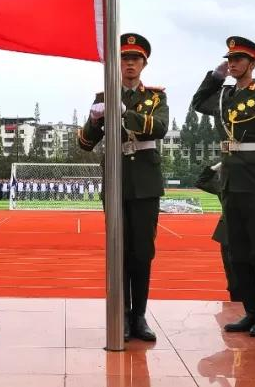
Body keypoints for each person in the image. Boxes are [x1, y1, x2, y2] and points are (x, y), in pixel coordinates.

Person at [78, 32, 168, 342]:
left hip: (145, 182)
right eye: (125, 58)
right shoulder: (103, 97)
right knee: (120, 251)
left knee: (142, 251)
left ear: (144, 63)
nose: (129, 63)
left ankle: (139, 316)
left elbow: (159, 126)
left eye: (135, 59)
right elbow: (86, 144)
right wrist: (93, 120)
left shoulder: (156, 97)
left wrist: (122, 113)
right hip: (115, 180)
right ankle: (123, 315)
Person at [191, 36, 255, 337]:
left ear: (253, 63)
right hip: (231, 180)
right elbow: (197, 103)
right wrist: (214, 78)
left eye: (239, 59)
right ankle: (251, 311)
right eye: (229, 59)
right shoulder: (223, 97)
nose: (233, 63)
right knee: (238, 252)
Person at [196, 162, 241, 301]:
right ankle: (235, 297)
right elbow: (200, 182)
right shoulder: (222, 186)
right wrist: (215, 167)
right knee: (230, 269)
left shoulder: (249, 184)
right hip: (227, 230)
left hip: (244, 230)